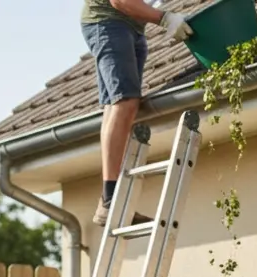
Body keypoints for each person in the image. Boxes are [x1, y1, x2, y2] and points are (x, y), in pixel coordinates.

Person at [81, 0, 193, 226]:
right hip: (108, 21)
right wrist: (165, 18)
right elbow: (121, 1)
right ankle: (111, 199)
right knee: (125, 101)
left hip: (131, 27)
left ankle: (108, 200)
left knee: (115, 106)